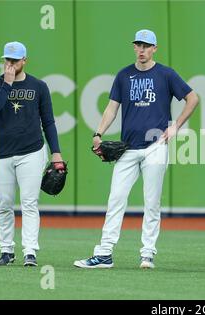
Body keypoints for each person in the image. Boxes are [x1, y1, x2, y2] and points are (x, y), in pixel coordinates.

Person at [73, 29, 198, 269]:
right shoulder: (124, 75)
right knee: (116, 199)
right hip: (127, 149)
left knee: (151, 202)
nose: (141, 50)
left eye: (146, 46)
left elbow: (192, 98)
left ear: (154, 49)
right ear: (134, 47)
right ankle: (104, 253)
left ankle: (147, 253)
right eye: (138, 45)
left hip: (155, 146)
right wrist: (98, 133)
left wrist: (176, 126)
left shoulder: (166, 74)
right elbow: (111, 108)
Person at [0, 41, 65, 267]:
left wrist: (56, 152)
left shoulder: (39, 86)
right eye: (7, 60)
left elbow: (48, 121)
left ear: (24, 61)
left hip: (32, 151)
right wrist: (7, 85)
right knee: (5, 204)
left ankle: (30, 251)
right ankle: (6, 250)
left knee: (29, 203)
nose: (10, 64)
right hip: (1, 153)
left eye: (14, 60)